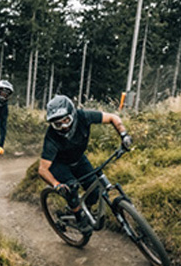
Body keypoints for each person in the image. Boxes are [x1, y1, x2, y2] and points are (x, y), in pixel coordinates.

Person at [37, 95, 133, 231]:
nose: (64, 126)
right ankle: (79, 217)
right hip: (60, 165)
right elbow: (42, 169)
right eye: (58, 124)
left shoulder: (83, 116)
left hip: (79, 159)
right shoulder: (51, 137)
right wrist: (56, 185)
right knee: (70, 189)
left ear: (73, 114)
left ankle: (83, 209)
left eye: (66, 120)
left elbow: (113, 117)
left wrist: (124, 135)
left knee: (95, 192)